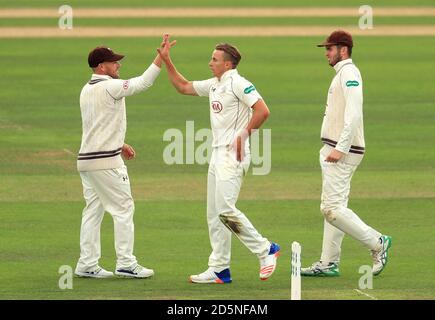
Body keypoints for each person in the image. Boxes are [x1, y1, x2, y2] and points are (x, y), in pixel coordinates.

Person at [157, 35, 280, 283]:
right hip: (217, 153)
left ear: (228, 64)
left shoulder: (239, 83)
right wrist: (166, 60)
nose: (210, 63)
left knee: (225, 209)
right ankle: (219, 269)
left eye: (214, 59)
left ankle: (266, 249)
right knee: (214, 214)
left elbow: (262, 110)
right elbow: (183, 87)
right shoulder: (215, 84)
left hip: (234, 154)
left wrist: (242, 136)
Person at [301, 30, 392, 277]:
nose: (326, 54)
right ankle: (329, 262)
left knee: (331, 209)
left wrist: (340, 148)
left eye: (329, 49)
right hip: (334, 148)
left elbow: (354, 114)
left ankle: (378, 242)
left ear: (343, 50)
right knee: (335, 206)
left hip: (344, 150)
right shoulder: (342, 74)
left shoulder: (349, 73)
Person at [74, 45, 163, 278]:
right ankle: (126, 262)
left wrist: (119, 143)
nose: (118, 65)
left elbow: (98, 123)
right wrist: (160, 58)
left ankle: (87, 264)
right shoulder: (110, 86)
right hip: (106, 162)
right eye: (114, 62)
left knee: (93, 210)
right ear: (102, 66)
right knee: (123, 208)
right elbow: (142, 83)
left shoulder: (87, 89)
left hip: (87, 160)